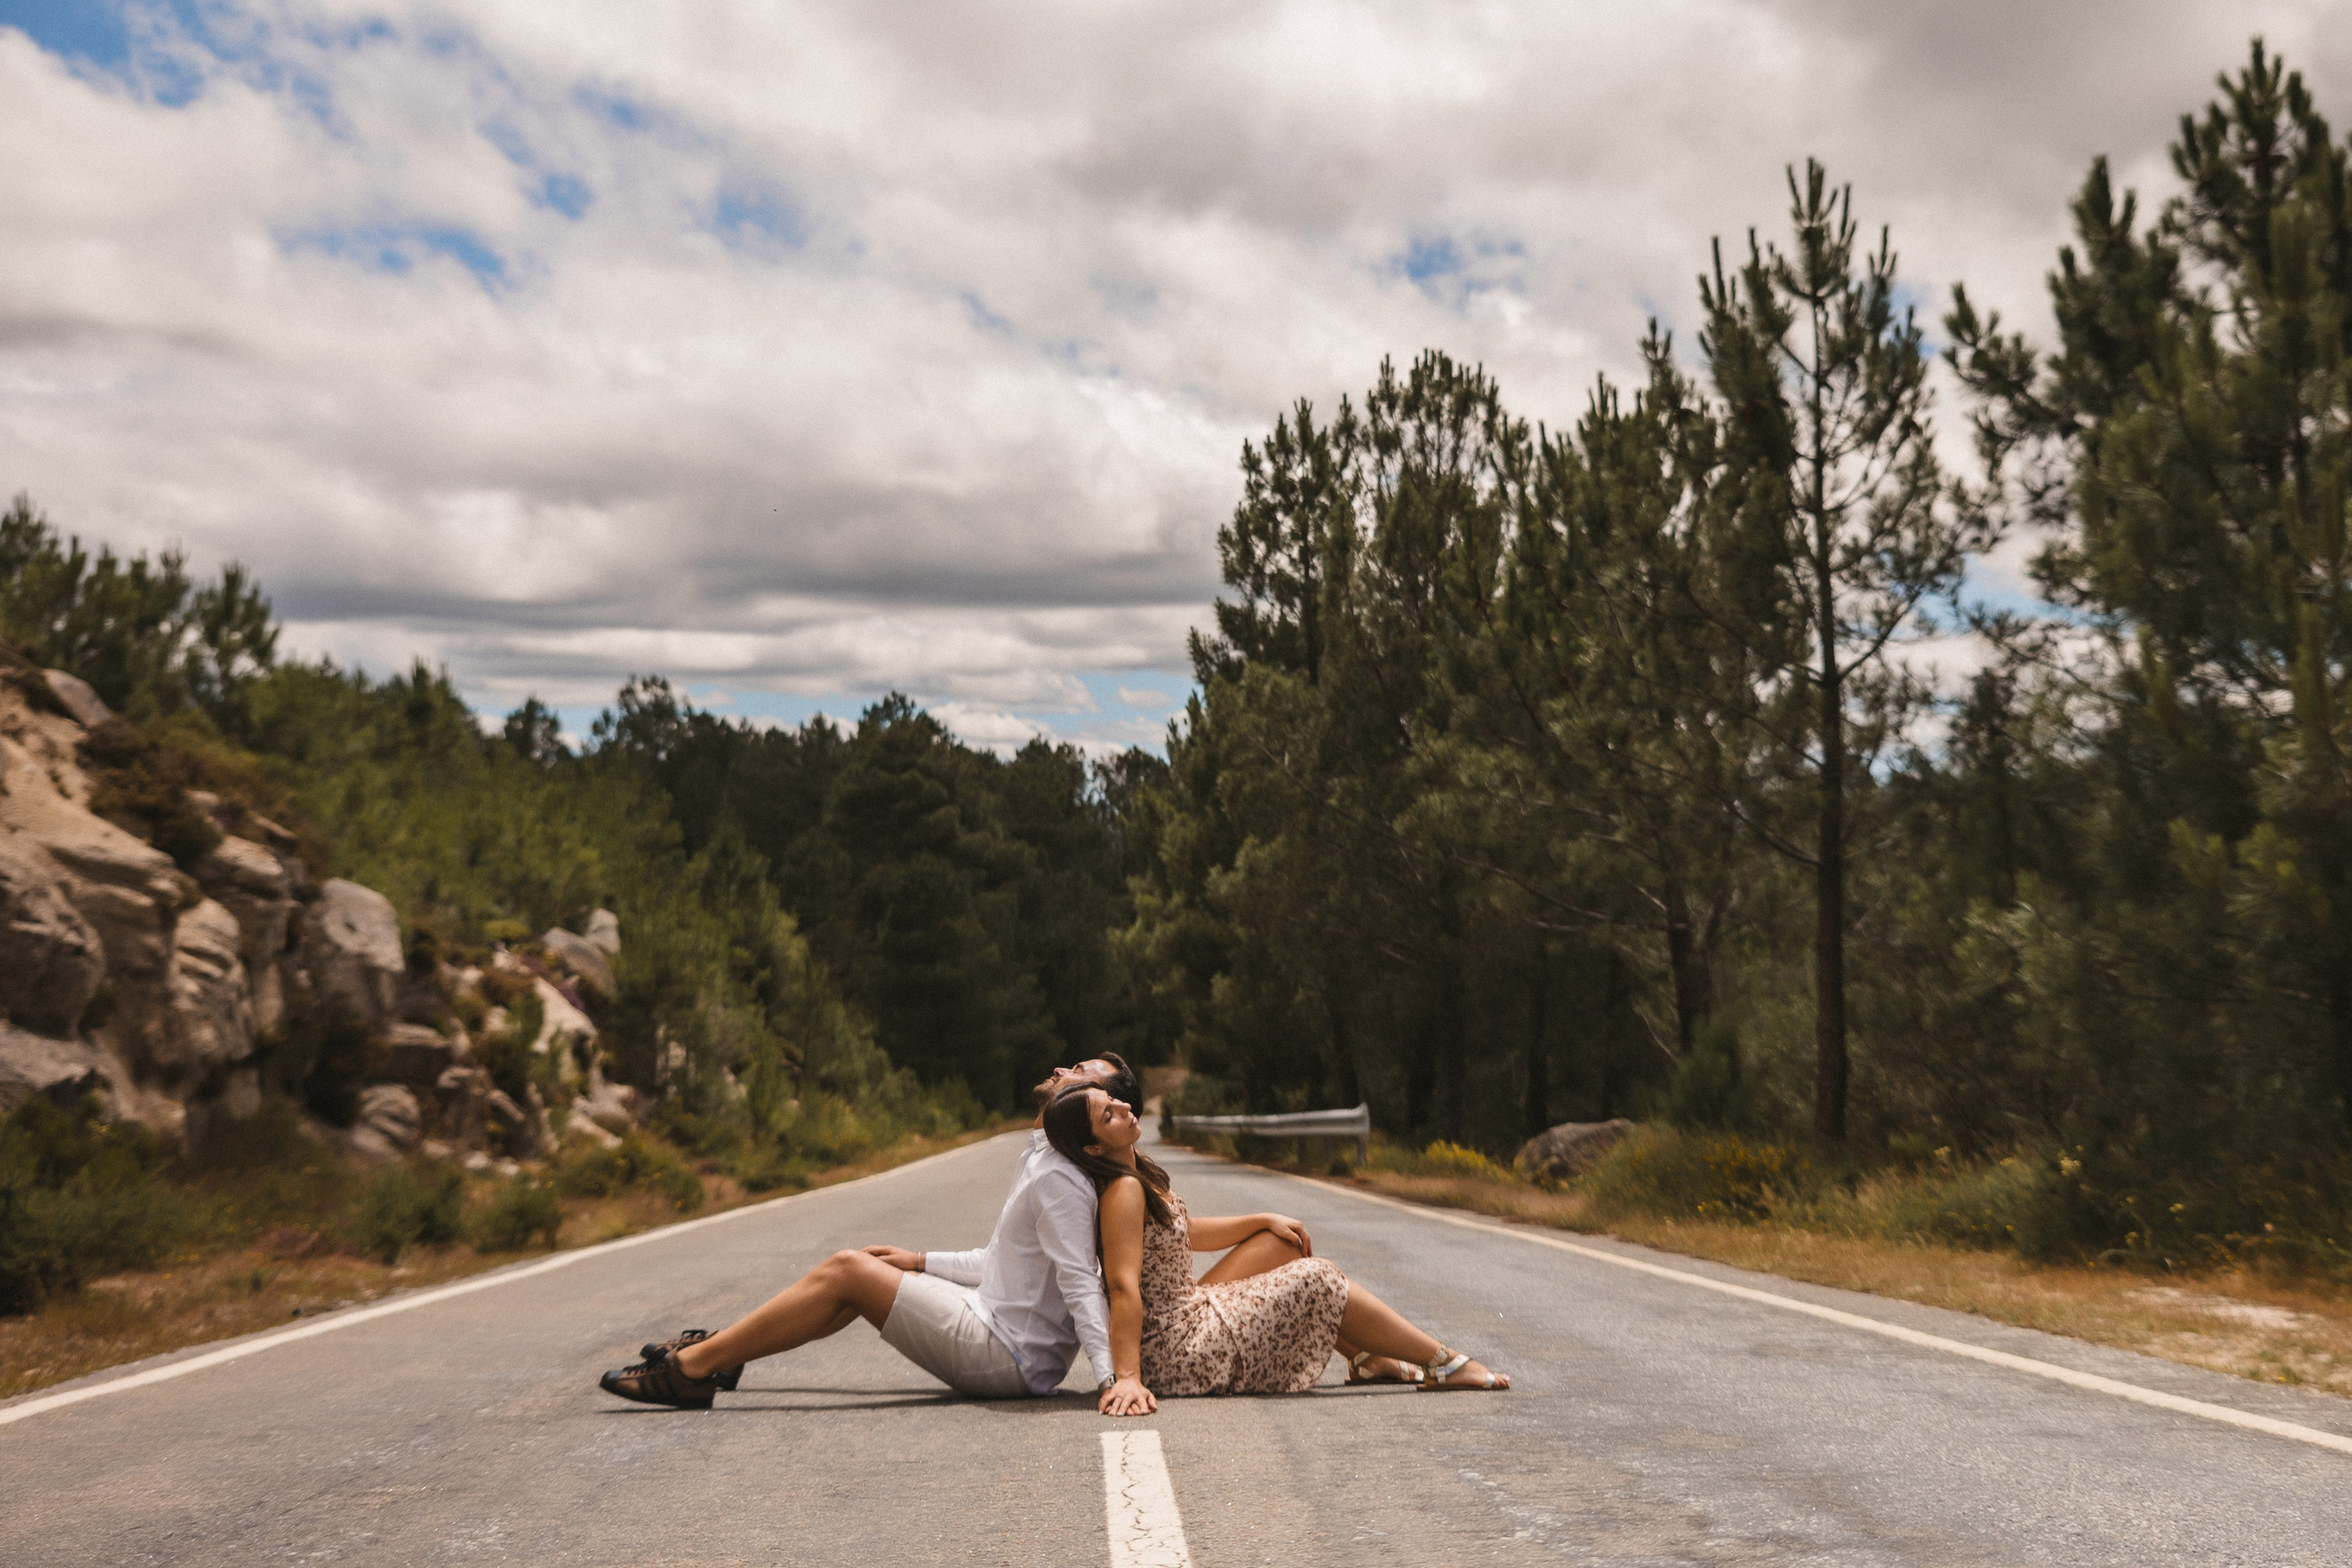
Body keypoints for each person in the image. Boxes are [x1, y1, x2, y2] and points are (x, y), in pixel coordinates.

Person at [598, 1055, 1156, 1416]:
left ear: (1089, 1110)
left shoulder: (1061, 1178)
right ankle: (723, 1354)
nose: (1061, 1070)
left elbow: (1081, 1282)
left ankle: (693, 1369)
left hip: (1009, 1355)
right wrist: (918, 1260)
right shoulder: (1044, 1160)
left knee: (849, 1270)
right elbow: (1003, 1264)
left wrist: (1111, 1379)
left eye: (1082, 1076)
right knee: (860, 1277)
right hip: (995, 1324)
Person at [1043, 1084, 1510, 1400]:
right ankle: (1444, 1362)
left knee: (1281, 1242)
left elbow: (1185, 1232)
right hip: (1175, 1350)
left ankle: (1370, 1358)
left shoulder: (1137, 1172)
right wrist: (1127, 1377)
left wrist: (1262, 1218)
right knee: (1318, 1278)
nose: (1124, 1108)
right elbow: (1121, 1286)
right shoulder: (1122, 1191)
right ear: (1093, 1148)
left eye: (1114, 1100)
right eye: (1108, 1115)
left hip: (1190, 1312)